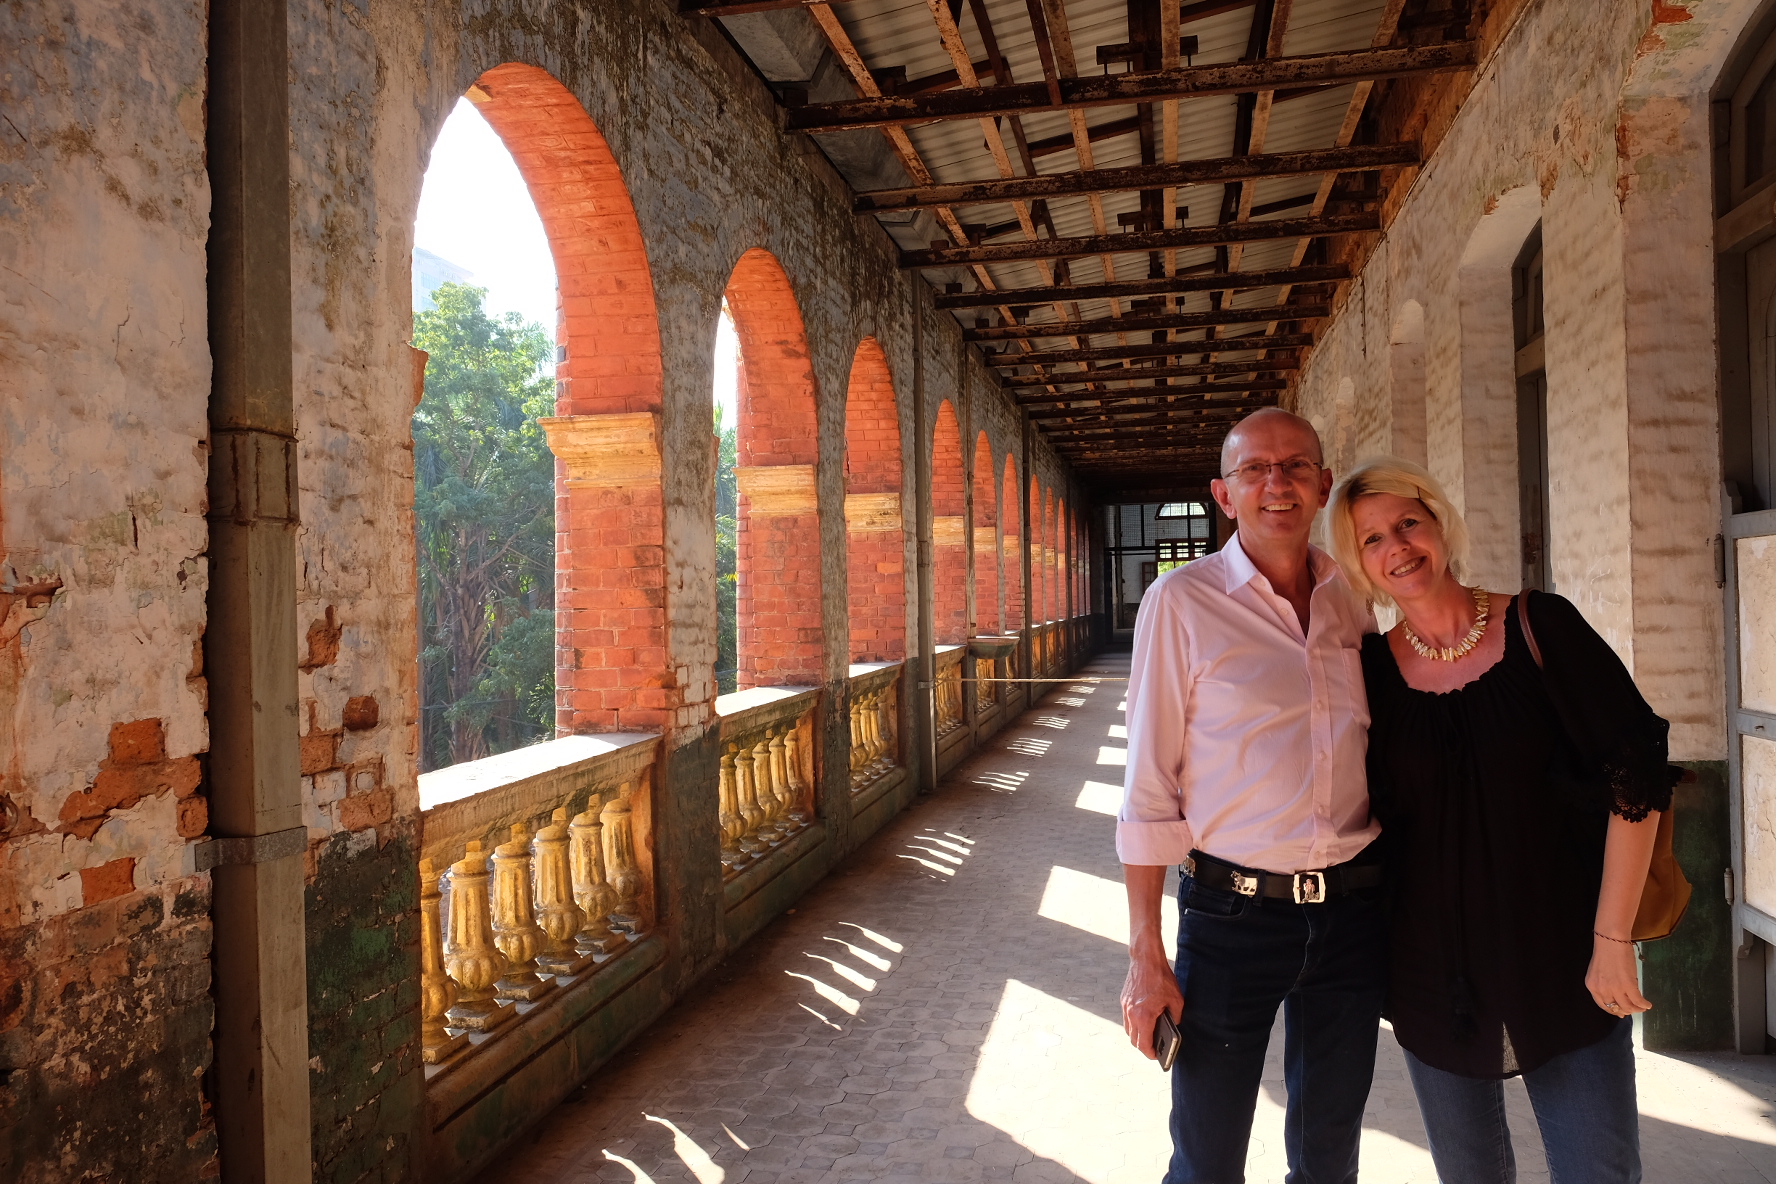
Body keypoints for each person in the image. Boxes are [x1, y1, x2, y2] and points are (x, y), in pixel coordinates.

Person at [1327, 457, 1670, 1184]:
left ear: (1439, 521)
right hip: (1432, 975)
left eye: (1408, 524)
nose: (1398, 548)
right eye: (1373, 540)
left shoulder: (1540, 625)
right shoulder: (1370, 673)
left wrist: (1613, 939)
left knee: (1599, 1171)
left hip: (1563, 958)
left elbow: (1636, 773)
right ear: (1359, 564)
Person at [1119, 407, 1388, 1184]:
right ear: (1224, 494)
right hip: (1233, 917)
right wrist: (1145, 954)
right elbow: (1148, 788)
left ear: (1324, 486)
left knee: (1329, 1158)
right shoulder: (1181, 604)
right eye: (1255, 470)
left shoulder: (1350, 600)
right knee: (1207, 1163)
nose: (1278, 483)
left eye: (1296, 466)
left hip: (1350, 917)